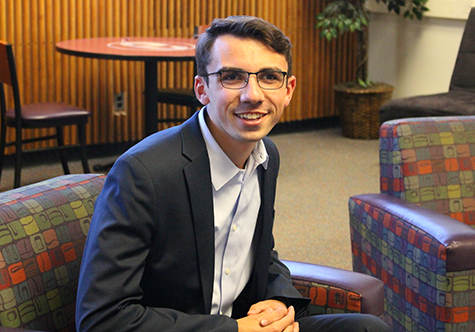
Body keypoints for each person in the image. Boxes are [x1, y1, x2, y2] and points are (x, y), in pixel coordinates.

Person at [76, 15, 391, 332]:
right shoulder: (144, 173)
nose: (253, 94)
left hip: (246, 321)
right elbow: (103, 318)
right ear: (202, 88)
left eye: (269, 77)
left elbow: (261, 251)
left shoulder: (267, 156)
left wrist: (278, 300)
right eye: (232, 77)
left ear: (288, 89)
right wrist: (237, 330)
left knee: (367, 328)